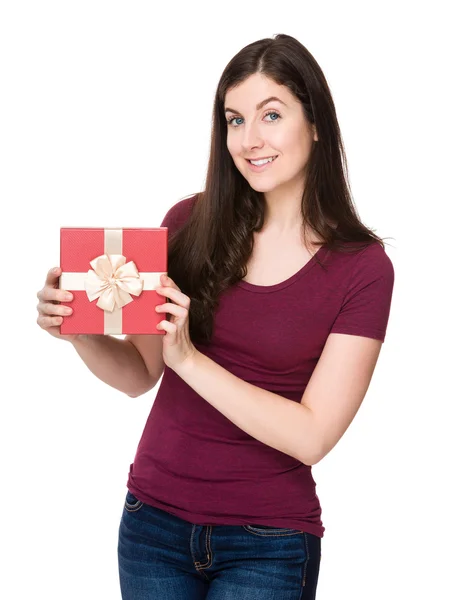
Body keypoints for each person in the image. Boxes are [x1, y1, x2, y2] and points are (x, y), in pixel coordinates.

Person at [36, 34, 394, 600]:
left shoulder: (363, 267)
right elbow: (137, 375)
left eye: (270, 115)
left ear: (317, 122)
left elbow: (312, 436)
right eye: (234, 120)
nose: (249, 140)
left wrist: (190, 359)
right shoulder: (186, 222)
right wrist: (76, 330)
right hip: (151, 524)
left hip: (269, 542)